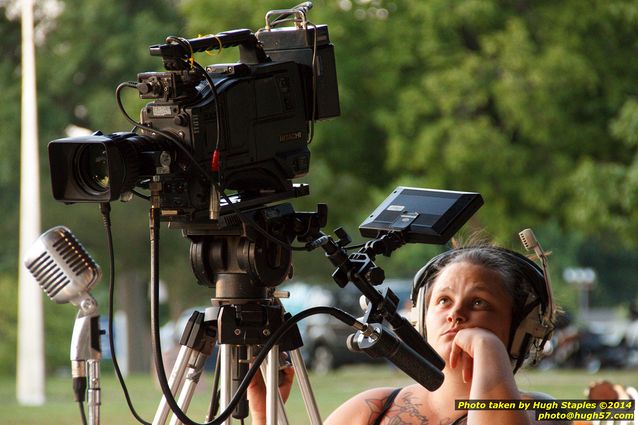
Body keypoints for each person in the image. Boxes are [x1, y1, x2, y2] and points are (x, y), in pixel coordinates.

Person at [248, 240, 569, 425]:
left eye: (479, 303)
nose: (456, 313)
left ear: (522, 331)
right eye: (444, 300)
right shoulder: (373, 409)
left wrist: (488, 350)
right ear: (420, 318)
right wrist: (265, 413)